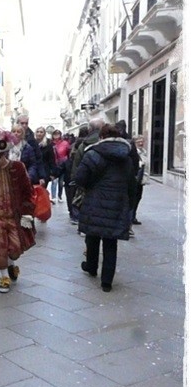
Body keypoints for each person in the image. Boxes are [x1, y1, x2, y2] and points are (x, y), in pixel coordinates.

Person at [75, 124, 136, 292]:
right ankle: (107, 281)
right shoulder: (127, 157)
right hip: (117, 202)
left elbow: (79, 178)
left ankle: (91, 267)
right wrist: (130, 205)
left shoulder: (92, 154)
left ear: (101, 137)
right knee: (111, 242)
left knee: (92, 235)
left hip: (94, 201)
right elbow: (132, 184)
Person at [0, 135, 36, 293]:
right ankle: (4, 276)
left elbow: (28, 191)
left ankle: (12, 264)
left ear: (3, 155)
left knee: (15, 248)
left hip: (15, 215)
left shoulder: (18, 167)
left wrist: (27, 213)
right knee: (0, 248)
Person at [15, 114, 46, 186]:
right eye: (22, 123)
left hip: (27, 175)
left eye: (26, 123)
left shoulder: (31, 139)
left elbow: (37, 159)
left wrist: (41, 176)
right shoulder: (9, 142)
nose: (24, 125)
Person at [131, 134, 149, 225]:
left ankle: (133, 215)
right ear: (134, 143)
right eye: (139, 142)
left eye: (142, 141)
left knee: (138, 198)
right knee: (134, 198)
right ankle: (131, 217)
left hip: (141, 179)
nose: (141, 143)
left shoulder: (144, 152)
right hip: (135, 179)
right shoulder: (135, 153)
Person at [50, 129, 71, 203]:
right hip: (54, 164)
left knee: (61, 182)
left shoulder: (65, 143)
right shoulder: (51, 144)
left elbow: (69, 153)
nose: (56, 136)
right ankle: (53, 197)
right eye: (55, 134)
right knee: (54, 181)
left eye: (58, 134)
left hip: (63, 165)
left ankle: (59, 195)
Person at [35, 126, 58, 191]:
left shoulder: (48, 145)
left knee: (42, 192)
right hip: (34, 172)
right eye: (37, 132)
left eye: (41, 132)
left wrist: (53, 173)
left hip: (45, 172)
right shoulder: (32, 144)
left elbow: (51, 160)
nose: (39, 133)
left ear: (44, 134)